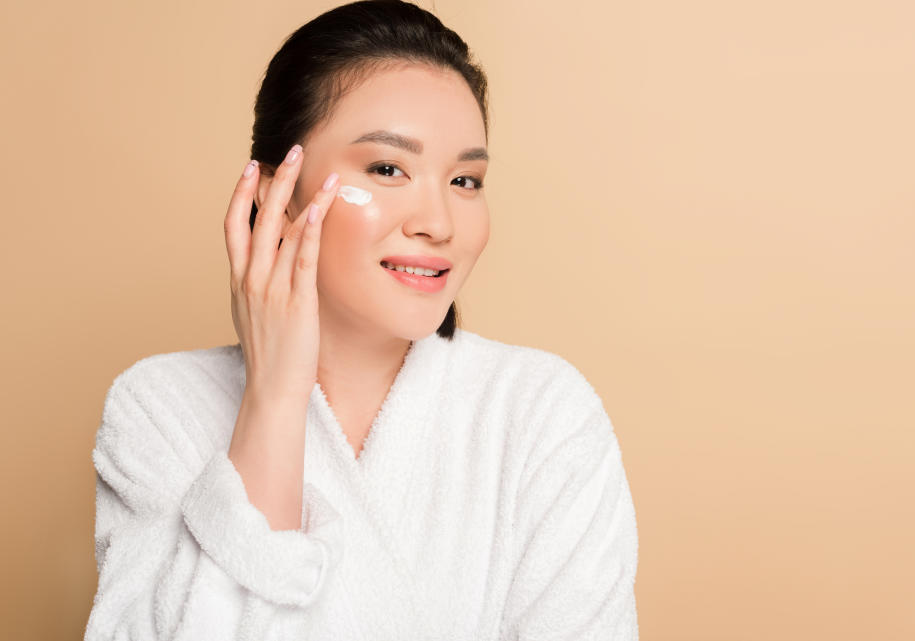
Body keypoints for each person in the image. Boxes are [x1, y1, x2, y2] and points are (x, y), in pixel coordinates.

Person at [83, 1, 639, 639]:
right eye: (387, 168)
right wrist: (273, 399)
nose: (439, 222)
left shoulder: (542, 414)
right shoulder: (159, 409)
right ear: (273, 189)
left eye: (465, 179)